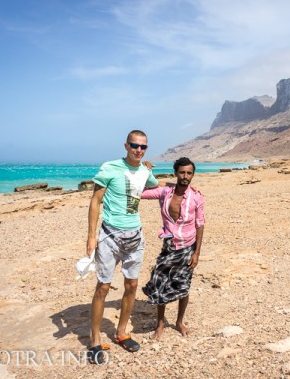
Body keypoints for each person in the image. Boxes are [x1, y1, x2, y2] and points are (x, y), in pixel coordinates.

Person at [85, 129, 158, 365]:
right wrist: (91, 236)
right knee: (103, 288)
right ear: (125, 146)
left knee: (132, 284)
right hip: (110, 236)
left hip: (135, 236)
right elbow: (95, 201)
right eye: (134, 146)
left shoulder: (145, 170)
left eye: (143, 147)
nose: (138, 150)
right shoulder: (110, 168)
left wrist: (184, 188)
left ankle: (121, 332)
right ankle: (95, 339)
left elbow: (154, 186)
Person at [140, 157, 205, 340]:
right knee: (160, 283)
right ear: (176, 173)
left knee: (184, 286)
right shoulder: (165, 192)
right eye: (182, 172)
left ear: (193, 174)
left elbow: (200, 224)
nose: (185, 176)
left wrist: (197, 253)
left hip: (187, 247)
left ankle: (179, 322)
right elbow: (141, 193)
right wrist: (146, 173)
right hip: (168, 246)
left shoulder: (197, 197)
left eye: (189, 173)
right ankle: (160, 324)